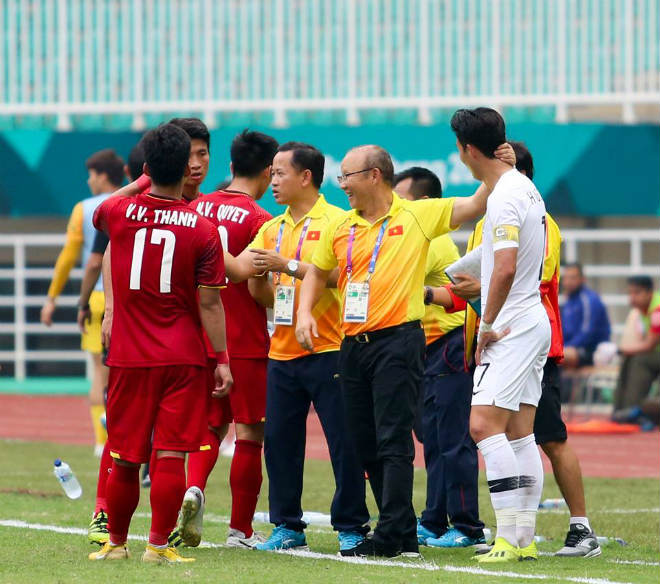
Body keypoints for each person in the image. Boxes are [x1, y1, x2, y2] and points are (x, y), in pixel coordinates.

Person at [295, 142, 495, 558]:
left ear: (374, 175)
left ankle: (390, 533)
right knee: (363, 442)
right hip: (352, 345)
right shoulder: (342, 225)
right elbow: (317, 270)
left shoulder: (417, 215)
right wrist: (304, 314)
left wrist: (495, 165)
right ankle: (401, 527)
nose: (342, 184)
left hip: (397, 342)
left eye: (347, 176)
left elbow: (477, 203)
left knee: (393, 440)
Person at [438, 141, 600, 558]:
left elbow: (526, 275)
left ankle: (557, 529)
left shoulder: (528, 210)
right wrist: (437, 292)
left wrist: (487, 309)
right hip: (510, 328)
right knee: (520, 434)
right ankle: (520, 538)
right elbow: (487, 273)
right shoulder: (502, 208)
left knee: (527, 433)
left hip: (519, 333)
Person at [88, 123, 231, 564]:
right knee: (169, 453)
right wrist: (221, 359)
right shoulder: (203, 229)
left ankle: (115, 543)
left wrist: (141, 180)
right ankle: (156, 546)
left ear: (148, 168)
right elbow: (210, 304)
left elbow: (107, 207)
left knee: (126, 455)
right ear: (188, 168)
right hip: (183, 356)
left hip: (130, 355)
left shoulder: (118, 213)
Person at [224, 142, 371, 555]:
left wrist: (284, 266)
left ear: (306, 177)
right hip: (282, 353)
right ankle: (287, 527)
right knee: (282, 447)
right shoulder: (271, 228)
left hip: (332, 349)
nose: (271, 182)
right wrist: (256, 276)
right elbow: (254, 282)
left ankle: (352, 527)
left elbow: (344, 276)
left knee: (344, 443)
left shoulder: (341, 222)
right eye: (271, 174)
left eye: (279, 174)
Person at [448, 108, 550, 564]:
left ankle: (507, 536)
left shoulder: (506, 195)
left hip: (510, 324)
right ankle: (522, 538)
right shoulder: (520, 186)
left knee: (483, 426)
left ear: (466, 149)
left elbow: (505, 266)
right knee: (520, 435)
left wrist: (485, 324)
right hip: (533, 318)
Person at [172, 129, 278, 550]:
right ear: (269, 172)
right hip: (247, 341)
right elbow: (258, 290)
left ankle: (193, 488)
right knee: (251, 434)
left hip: (204, 340)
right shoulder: (261, 221)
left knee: (210, 428)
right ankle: (241, 531)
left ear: (230, 165)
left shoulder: (196, 207)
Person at [393, 168, 486, 549]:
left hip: (447, 345)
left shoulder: (429, 240)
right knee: (432, 439)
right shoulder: (413, 235)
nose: (396, 207)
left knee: (453, 439)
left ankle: (466, 526)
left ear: (426, 205)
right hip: (425, 347)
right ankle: (433, 519)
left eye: (402, 200)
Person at [41, 148, 125, 457]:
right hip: (131, 299)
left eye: (90, 175)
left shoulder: (86, 209)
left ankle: (102, 441)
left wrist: (53, 297)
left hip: (100, 297)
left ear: (102, 176)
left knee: (98, 373)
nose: (88, 181)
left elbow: (70, 257)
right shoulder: (134, 203)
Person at [612, 276, 660, 420]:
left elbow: (649, 345)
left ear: (649, 293)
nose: (632, 298)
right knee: (632, 358)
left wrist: (619, 350)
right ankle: (621, 409)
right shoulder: (641, 311)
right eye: (630, 293)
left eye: (637, 293)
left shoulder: (657, 310)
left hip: (654, 354)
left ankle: (630, 410)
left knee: (640, 360)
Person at [560, 263, 611, 368]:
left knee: (558, 356)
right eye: (566, 278)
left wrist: (566, 347)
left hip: (592, 350)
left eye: (573, 278)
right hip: (572, 348)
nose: (568, 282)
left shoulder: (589, 299)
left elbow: (587, 333)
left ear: (582, 279)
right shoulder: (568, 301)